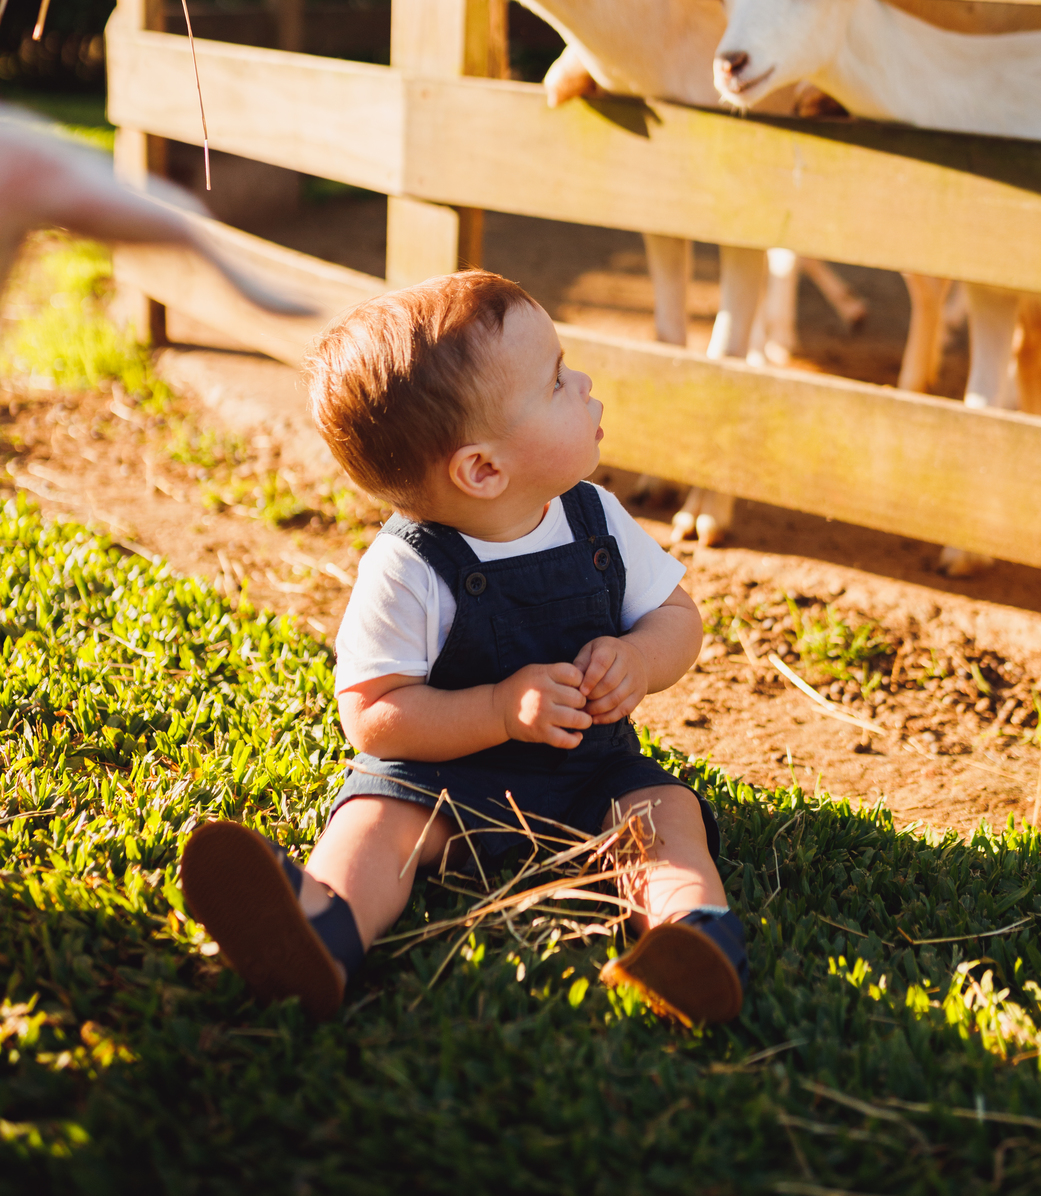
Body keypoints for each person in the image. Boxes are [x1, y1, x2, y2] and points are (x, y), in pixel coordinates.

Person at [181, 271, 748, 1025]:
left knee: (663, 814)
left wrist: (641, 659)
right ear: (483, 469)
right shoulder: (409, 565)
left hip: (588, 775)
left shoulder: (596, 517)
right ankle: (322, 925)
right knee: (375, 822)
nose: (581, 382)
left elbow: (679, 617)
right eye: (554, 381)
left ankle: (689, 931)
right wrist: (499, 709)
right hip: (442, 785)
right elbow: (374, 716)